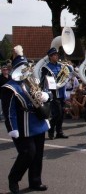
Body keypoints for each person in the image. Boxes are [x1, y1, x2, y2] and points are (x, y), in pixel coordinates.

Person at [2, 46, 50, 193]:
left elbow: (47, 94)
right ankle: (13, 179)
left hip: (38, 122)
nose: (24, 69)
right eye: (21, 67)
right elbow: (8, 110)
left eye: (25, 66)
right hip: (22, 125)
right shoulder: (9, 87)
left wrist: (46, 95)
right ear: (15, 68)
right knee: (28, 153)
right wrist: (12, 128)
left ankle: (35, 181)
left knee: (38, 154)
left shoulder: (32, 82)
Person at [40, 47, 69, 140]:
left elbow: (66, 76)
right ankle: (51, 131)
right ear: (50, 57)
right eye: (54, 55)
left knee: (61, 114)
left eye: (57, 55)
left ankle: (59, 132)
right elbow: (43, 80)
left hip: (62, 92)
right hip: (53, 94)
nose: (57, 56)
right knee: (57, 114)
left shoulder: (61, 66)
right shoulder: (46, 68)